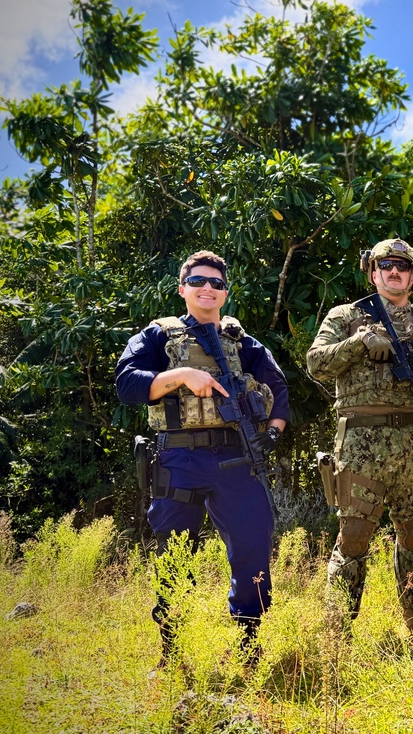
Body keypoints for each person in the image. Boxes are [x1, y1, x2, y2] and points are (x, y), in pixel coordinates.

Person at [115, 250, 289, 662]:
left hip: (237, 457)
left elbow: (278, 390)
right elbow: (127, 384)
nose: (207, 288)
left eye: (216, 283)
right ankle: (171, 649)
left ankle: (249, 641)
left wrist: (274, 434)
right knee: (173, 551)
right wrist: (182, 375)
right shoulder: (158, 335)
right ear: (183, 289)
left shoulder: (242, 341)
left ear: (225, 293)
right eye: (198, 282)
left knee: (252, 547)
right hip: (179, 459)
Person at [305, 238, 413, 638]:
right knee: (353, 534)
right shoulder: (347, 316)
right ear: (373, 271)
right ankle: (337, 630)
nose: (394, 271)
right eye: (386, 265)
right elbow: (316, 363)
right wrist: (358, 343)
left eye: (403, 265)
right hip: (362, 442)